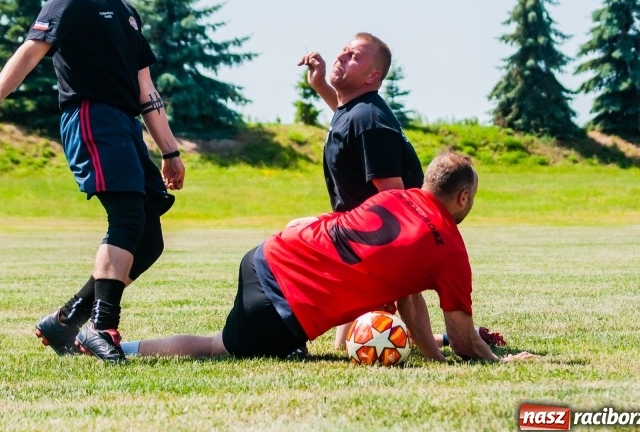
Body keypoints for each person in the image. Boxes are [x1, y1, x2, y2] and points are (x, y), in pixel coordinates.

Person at [0, 0, 184, 363]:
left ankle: (67, 320)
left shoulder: (127, 14)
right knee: (127, 216)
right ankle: (101, 327)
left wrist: (169, 150)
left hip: (126, 126)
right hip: (90, 117)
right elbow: (30, 51)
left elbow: (147, 90)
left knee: (150, 241)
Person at [120, 152, 533, 363]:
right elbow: (465, 340)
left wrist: (434, 354)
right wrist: (502, 360)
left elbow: (409, 298)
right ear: (463, 197)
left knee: (264, 344)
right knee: (216, 346)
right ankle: (122, 350)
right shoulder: (450, 250)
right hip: (281, 302)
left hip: (270, 250)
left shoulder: (395, 196)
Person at [297, 33, 425, 349]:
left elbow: (395, 202)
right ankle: (442, 339)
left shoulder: (370, 119)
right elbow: (346, 119)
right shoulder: (358, 110)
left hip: (376, 241)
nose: (341, 56)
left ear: (373, 76)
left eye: (353, 56)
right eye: (343, 50)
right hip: (358, 239)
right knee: (348, 346)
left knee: (369, 338)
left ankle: (437, 343)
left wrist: (386, 275)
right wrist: (320, 86)